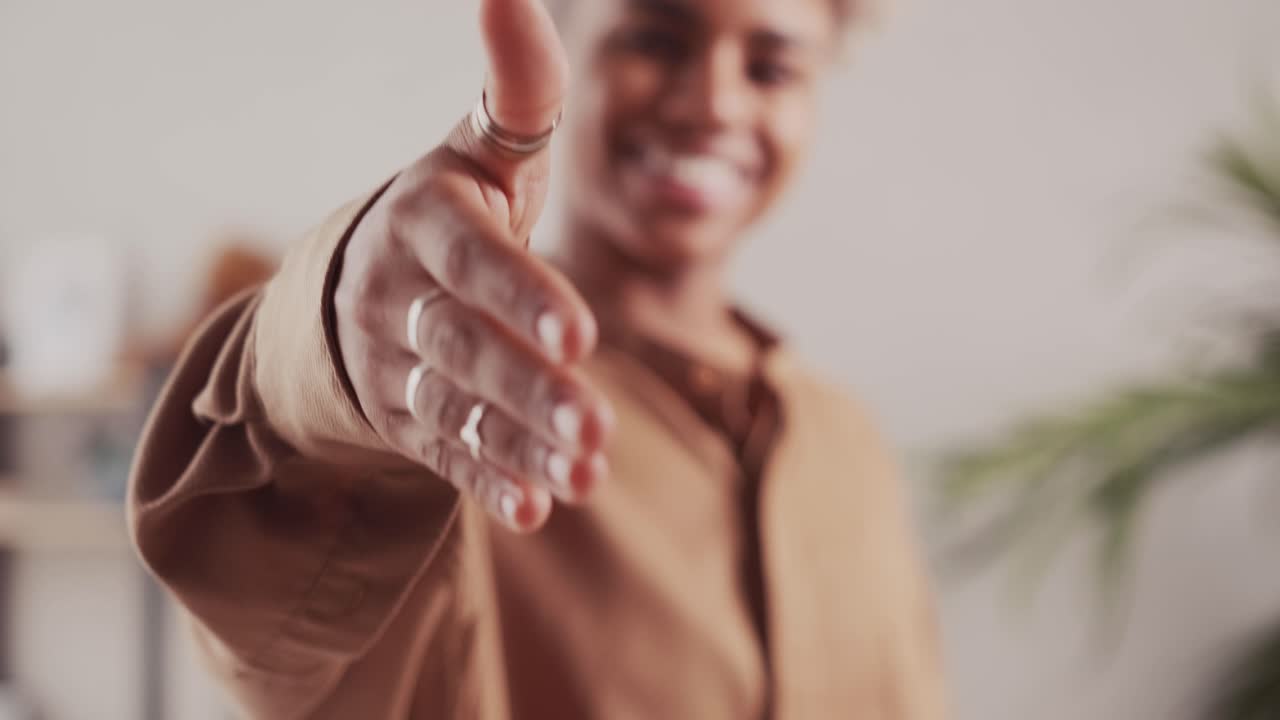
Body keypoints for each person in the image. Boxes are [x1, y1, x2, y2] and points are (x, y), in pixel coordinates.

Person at [128, 0, 947, 717]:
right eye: (656, 39)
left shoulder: (849, 443)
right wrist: (328, 340)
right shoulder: (446, 413)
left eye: (771, 67)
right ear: (564, 36)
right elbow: (266, 595)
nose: (714, 102)